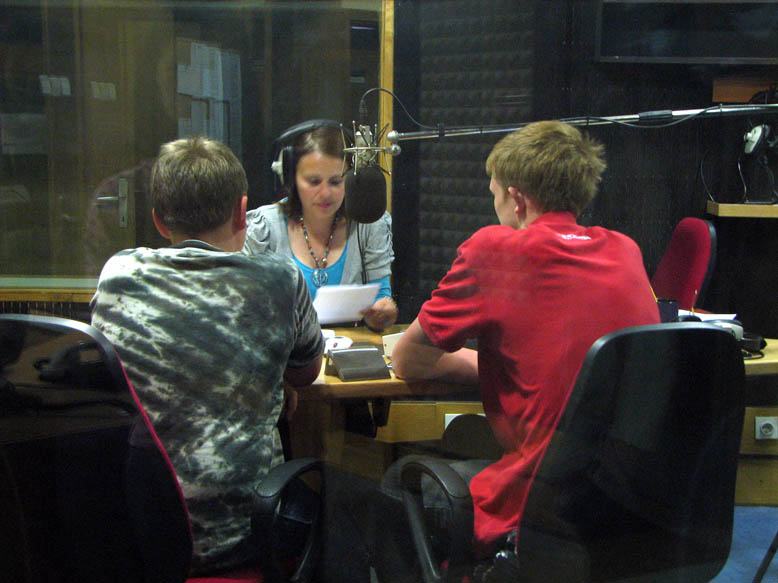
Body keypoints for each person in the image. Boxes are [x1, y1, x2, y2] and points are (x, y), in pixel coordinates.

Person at [321, 120, 660, 582]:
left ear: (516, 199)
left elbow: (407, 359)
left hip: (539, 507)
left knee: (397, 485)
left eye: (494, 193)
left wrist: (483, 365)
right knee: (466, 436)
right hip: (625, 509)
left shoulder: (497, 249)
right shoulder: (625, 250)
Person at [90, 136, 324, 575]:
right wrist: (268, 379)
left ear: (159, 220)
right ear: (242, 211)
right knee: (345, 506)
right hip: (250, 535)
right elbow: (307, 371)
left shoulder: (119, 275)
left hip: (145, 535)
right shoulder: (279, 279)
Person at [242, 121, 398, 331]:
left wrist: (382, 313)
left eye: (335, 182)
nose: (325, 193)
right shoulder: (265, 227)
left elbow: (381, 298)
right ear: (291, 180)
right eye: (314, 182)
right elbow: (247, 310)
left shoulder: (368, 224)